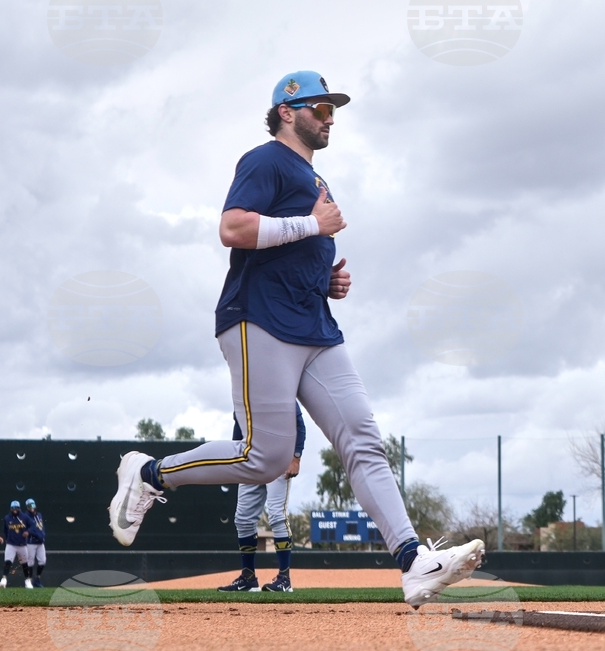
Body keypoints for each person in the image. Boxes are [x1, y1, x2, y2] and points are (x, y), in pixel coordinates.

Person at [107, 70, 485, 609]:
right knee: (265, 458)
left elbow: (293, 245)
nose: (330, 118)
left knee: (363, 438)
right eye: (321, 108)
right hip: (258, 319)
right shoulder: (265, 160)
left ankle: (413, 561)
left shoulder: (316, 181)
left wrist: (327, 279)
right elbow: (233, 229)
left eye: (334, 111)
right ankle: (148, 473)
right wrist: (311, 227)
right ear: (288, 112)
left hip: (313, 323)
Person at [218, 406, 304, 593]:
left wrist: (296, 457)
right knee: (242, 519)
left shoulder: (277, 386)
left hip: (278, 458)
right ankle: (248, 578)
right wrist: (236, 461)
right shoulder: (243, 393)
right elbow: (238, 431)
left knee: (277, 515)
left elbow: (299, 423)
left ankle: (285, 579)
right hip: (252, 461)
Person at [0, 500, 33, 589]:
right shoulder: (7, 518)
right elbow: (5, 530)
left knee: (25, 564)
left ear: (19, 508)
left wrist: (28, 532)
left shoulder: (24, 517)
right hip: (11, 544)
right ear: (10, 509)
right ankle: (4, 579)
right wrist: (7, 539)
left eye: (16, 508)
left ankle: (27, 581)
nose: (15, 510)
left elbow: (33, 525)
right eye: (13, 508)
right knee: (8, 562)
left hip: (22, 544)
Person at [23, 498, 46, 588]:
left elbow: (41, 527)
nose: (31, 507)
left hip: (40, 542)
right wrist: (33, 534)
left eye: (32, 505)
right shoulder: (25, 517)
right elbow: (27, 529)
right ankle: (29, 580)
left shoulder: (39, 515)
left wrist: (43, 535)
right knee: (30, 562)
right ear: (27, 507)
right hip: (31, 542)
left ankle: (37, 578)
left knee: (42, 561)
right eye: (29, 506)